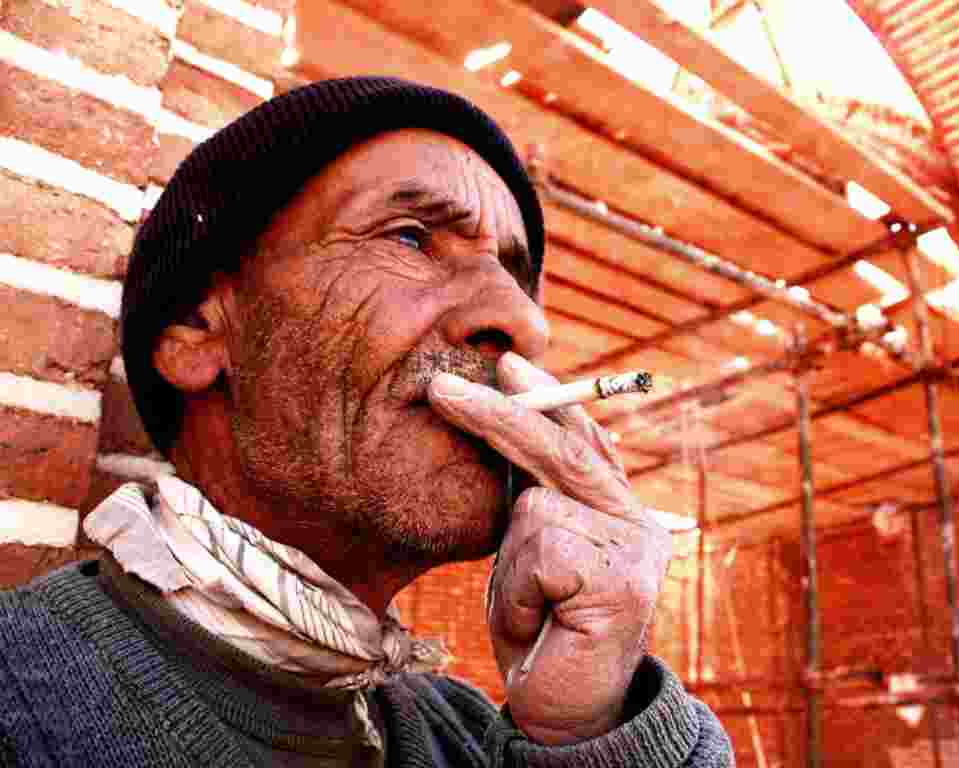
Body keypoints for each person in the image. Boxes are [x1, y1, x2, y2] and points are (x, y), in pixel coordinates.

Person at [0, 77, 733, 767]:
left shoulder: (480, 740)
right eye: (410, 237)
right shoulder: (22, 703)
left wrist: (591, 731)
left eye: (515, 276)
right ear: (199, 326)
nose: (524, 323)